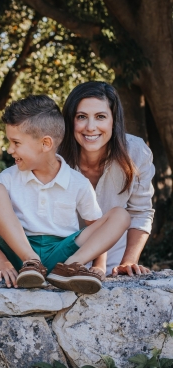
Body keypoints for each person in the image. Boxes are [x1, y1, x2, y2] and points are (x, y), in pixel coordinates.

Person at [0, 95, 131, 293]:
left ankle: (70, 268)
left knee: (120, 215)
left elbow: (97, 228)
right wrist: (1, 261)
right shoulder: (7, 178)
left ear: (46, 144)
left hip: (63, 253)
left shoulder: (78, 183)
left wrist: (99, 265)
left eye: (16, 142)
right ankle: (31, 262)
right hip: (19, 251)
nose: (9, 149)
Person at [59, 81, 155, 276]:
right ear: (70, 120)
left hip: (113, 262)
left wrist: (128, 262)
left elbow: (140, 212)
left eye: (100, 117)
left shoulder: (137, 153)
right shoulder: (54, 156)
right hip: (60, 259)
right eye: (81, 117)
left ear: (114, 121)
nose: (91, 127)